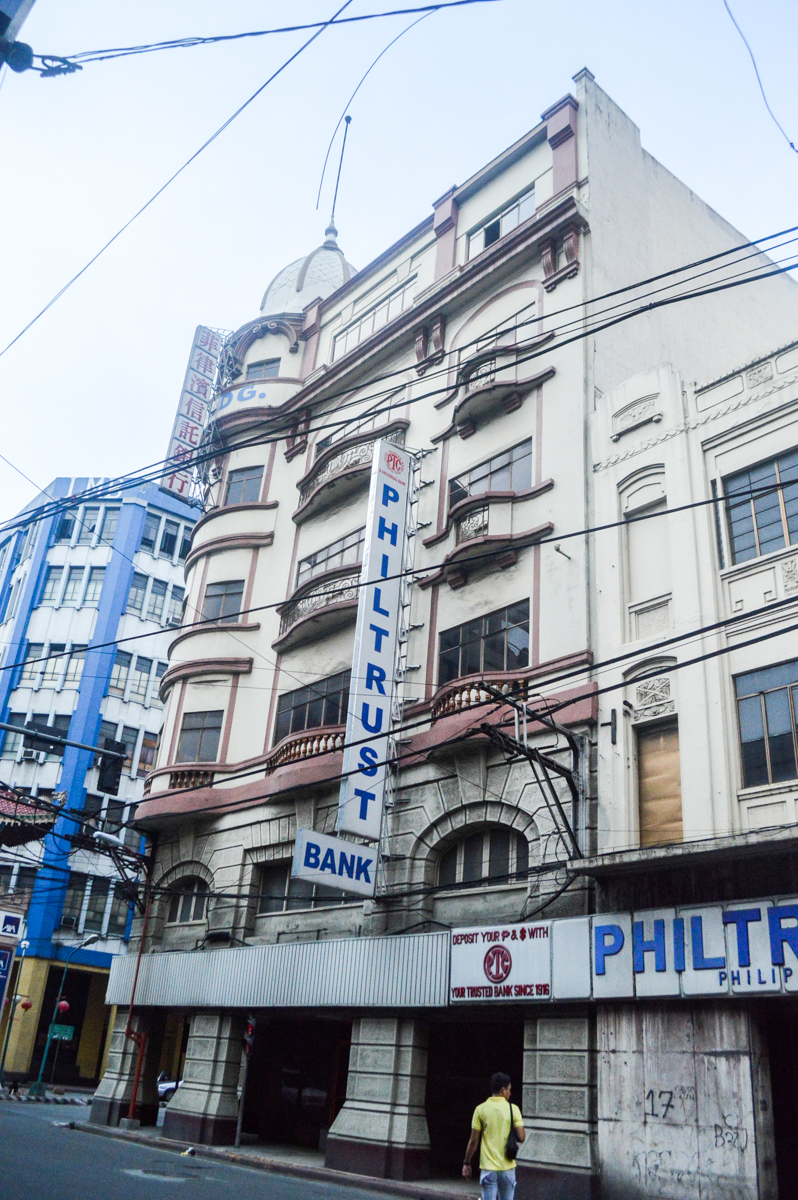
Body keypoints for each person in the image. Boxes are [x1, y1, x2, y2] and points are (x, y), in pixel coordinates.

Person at [462, 1071, 525, 1200]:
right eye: (509, 1090)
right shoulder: (513, 1109)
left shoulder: (481, 1109)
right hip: (507, 1168)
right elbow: (522, 1137)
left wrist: (467, 1162)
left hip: (488, 1168)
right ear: (503, 1090)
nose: (510, 1093)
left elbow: (474, 1141)